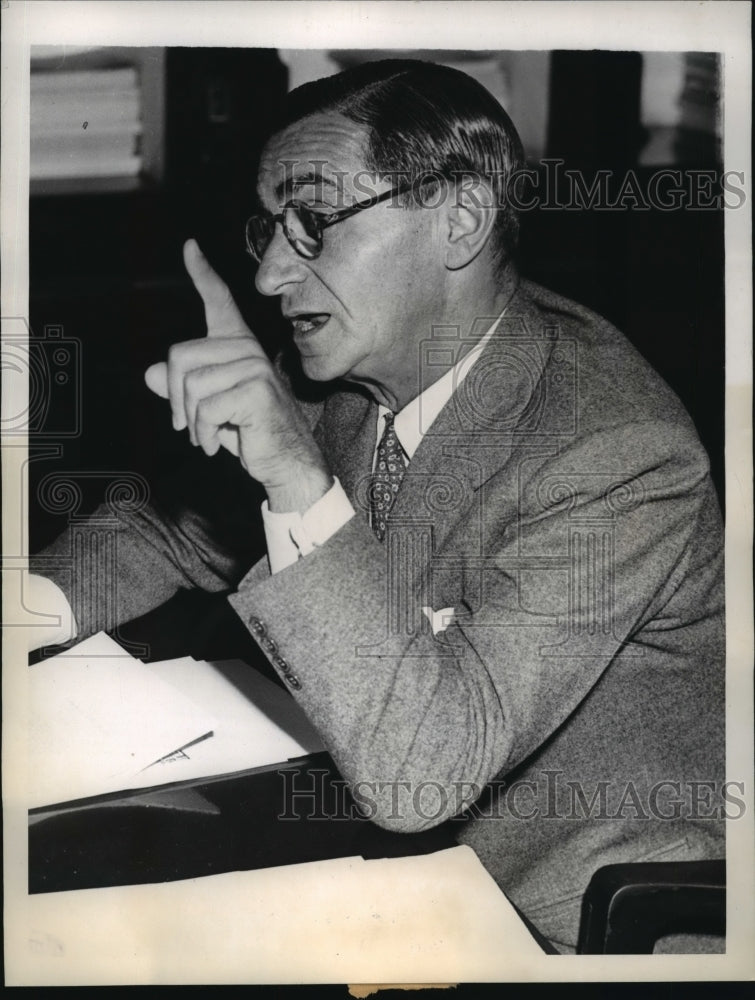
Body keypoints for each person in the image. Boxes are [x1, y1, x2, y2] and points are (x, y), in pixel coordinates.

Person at [29, 59, 724, 952]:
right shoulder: (345, 376)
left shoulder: (618, 451)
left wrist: (296, 478)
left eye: (314, 221)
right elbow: (172, 531)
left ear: (460, 220)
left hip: (573, 921)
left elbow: (423, 778)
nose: (275, 274)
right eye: (270, 230)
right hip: (378, 852)